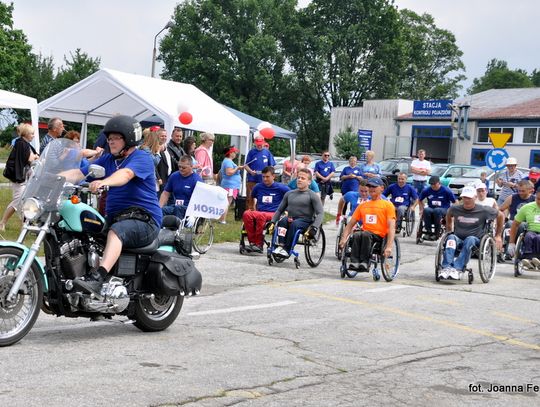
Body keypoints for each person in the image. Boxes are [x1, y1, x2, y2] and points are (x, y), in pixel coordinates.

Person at [72, 115, 162, 295]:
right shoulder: (108, 160)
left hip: (145, 220)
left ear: (128, 139)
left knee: (116, 232)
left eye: (116, 138)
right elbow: (79, 173)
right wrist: (49, 175)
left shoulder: (141, 157)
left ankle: (98, 277)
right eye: (109, 139)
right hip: (116, 218)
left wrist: (105, 182)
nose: (111, 142)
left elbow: (126, 175)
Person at [440, 186, 503, 280]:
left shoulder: (484, 210)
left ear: (475, 197)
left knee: (470, 239)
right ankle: (446, 267)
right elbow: (449, 214)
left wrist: (498, 235)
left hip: (476, 240)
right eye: (465, 197)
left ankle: (457, 269)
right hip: (458, 238)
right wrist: (449, 229)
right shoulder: (455, 209)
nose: (466, 200)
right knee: (450, 238)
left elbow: (501, 215)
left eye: (469, 198)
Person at [339, 177, 396, 271]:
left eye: (374, 186)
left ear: (381, 188)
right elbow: (350, 224)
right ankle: (355, 262)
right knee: (356, 234)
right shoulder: (363, 205)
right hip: (366, 233)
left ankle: (364, 262)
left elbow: (391, 226)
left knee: (365, 234)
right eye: (369, 186)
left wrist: (389, 246)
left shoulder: (387, 205)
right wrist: (343, 238)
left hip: (380, 236)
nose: (371, 188)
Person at [270, 168, 323, 257]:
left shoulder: (312, 195)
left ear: (309, 182)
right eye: (298, 178)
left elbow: (320, 213)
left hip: (305, 220)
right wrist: (272, 221)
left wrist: (314, 227)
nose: (299, 180)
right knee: (282, 221)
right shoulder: (289, 194)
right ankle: (281, 245)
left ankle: (287, 249)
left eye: (303, 178)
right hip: (291, 218)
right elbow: (279, 210)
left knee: (295, 224)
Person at [0, 124, 39, 231]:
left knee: (25, 201)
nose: (33, 136)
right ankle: (2, 222)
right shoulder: (22, 144)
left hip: (24, 178)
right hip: (19, 179)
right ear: (26, 134)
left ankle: (25, 225)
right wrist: (35, 156)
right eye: (32, 134)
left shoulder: (25, 144)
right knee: (17, 201)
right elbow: (30, 159)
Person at [242, 166, 290, 253]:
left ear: (273, 176)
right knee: (246, 213)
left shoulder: (281, 188)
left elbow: (292, 197)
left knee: (261, 215)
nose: (264, 179)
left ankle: (258, 244)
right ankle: (252, 242)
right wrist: (251, 207)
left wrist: (287, 210)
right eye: (263, 177)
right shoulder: (258, 186)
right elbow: (252, 197)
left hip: (274, 213)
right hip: (260, 211)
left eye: (267, 177)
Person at [160, 155, 203, 220]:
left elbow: (200, 199)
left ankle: (176, 227)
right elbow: (166, 193)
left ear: (191, 167)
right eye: (179, 166)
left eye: (184, 167)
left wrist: (194, 215)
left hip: (189, 209)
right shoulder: (174, 176)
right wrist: (159, 207)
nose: (181, 169)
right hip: (175, 206)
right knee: (162, 210)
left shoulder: (197, 180)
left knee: (178, 209)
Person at [508, 187, 540, 269]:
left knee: (538, 238)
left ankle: (536, 258)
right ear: (536, 196)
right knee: (528, 236)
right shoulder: (527, 207)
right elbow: (515, 224)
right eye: (538, 199)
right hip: (531, 230)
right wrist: (511, 243)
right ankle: (528, 258)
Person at [419, 175, 456, 240]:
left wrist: (452, 211)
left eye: (434, 184)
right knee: (426, 210)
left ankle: (436, 233)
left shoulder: (446, 190)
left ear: (439, 183)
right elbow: (419, 199)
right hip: (431, 208)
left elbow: (455, 201)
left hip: (444, 209)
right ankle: (428, 232)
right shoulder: (427, 190)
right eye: (431, 184)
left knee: (437, 210)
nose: (433, 186)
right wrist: (421, 209)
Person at [245, 134, 276, 210]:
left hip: (264, 179)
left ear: (264, 143)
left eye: (261, 144)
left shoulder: (267, 152)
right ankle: (249, 213)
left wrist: (269, 174)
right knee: (250, 197)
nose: (259, 146)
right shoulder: (251, 152)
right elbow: (246, 165)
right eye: (258, 145)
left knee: (263, 196)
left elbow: (272, 166)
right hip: (252, 179)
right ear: (255, 143)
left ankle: (261, 211)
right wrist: (251, 171)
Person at [219, 145, 245, 224]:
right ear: (230, 153)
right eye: (234, 152)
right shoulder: (228, 162)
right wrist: (237, 168)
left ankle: (222, 218)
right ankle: (222, 220)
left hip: (230, 185)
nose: (235, 154)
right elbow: (229, 172)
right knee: (227, 202)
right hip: (230, 185)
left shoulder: (228, 161)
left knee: (226, 202)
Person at [156, 128, 178, 196]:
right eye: (162, 136)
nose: (164, 138)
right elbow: (153, 165)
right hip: (161, 180)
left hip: (169, 179)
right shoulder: (155, 148)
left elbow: (171, 161)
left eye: (165, 136)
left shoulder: (167, 147)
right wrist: (158, 178)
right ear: (157, 137)